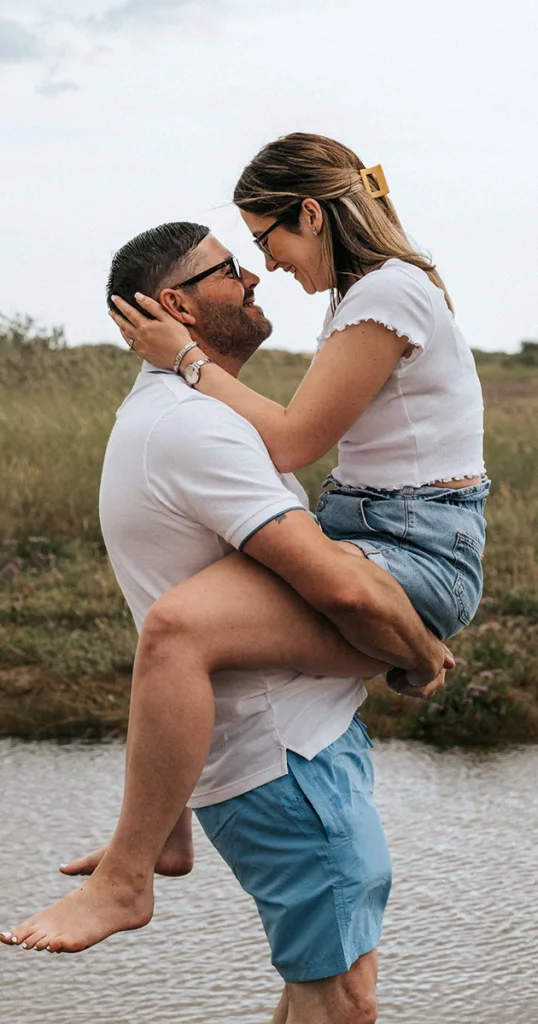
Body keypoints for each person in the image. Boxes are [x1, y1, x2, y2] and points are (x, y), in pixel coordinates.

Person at [1, 222, 451, 1024]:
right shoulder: (196, 428)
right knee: (343, 1003)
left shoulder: (177, 411)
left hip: (264, 758)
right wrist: (419, 650)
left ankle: (142, 859)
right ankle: (129, 878)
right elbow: (337, 588)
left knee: (315, 997)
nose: (254, 279)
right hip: (287, 760)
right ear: (176, 303)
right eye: (230, 270)